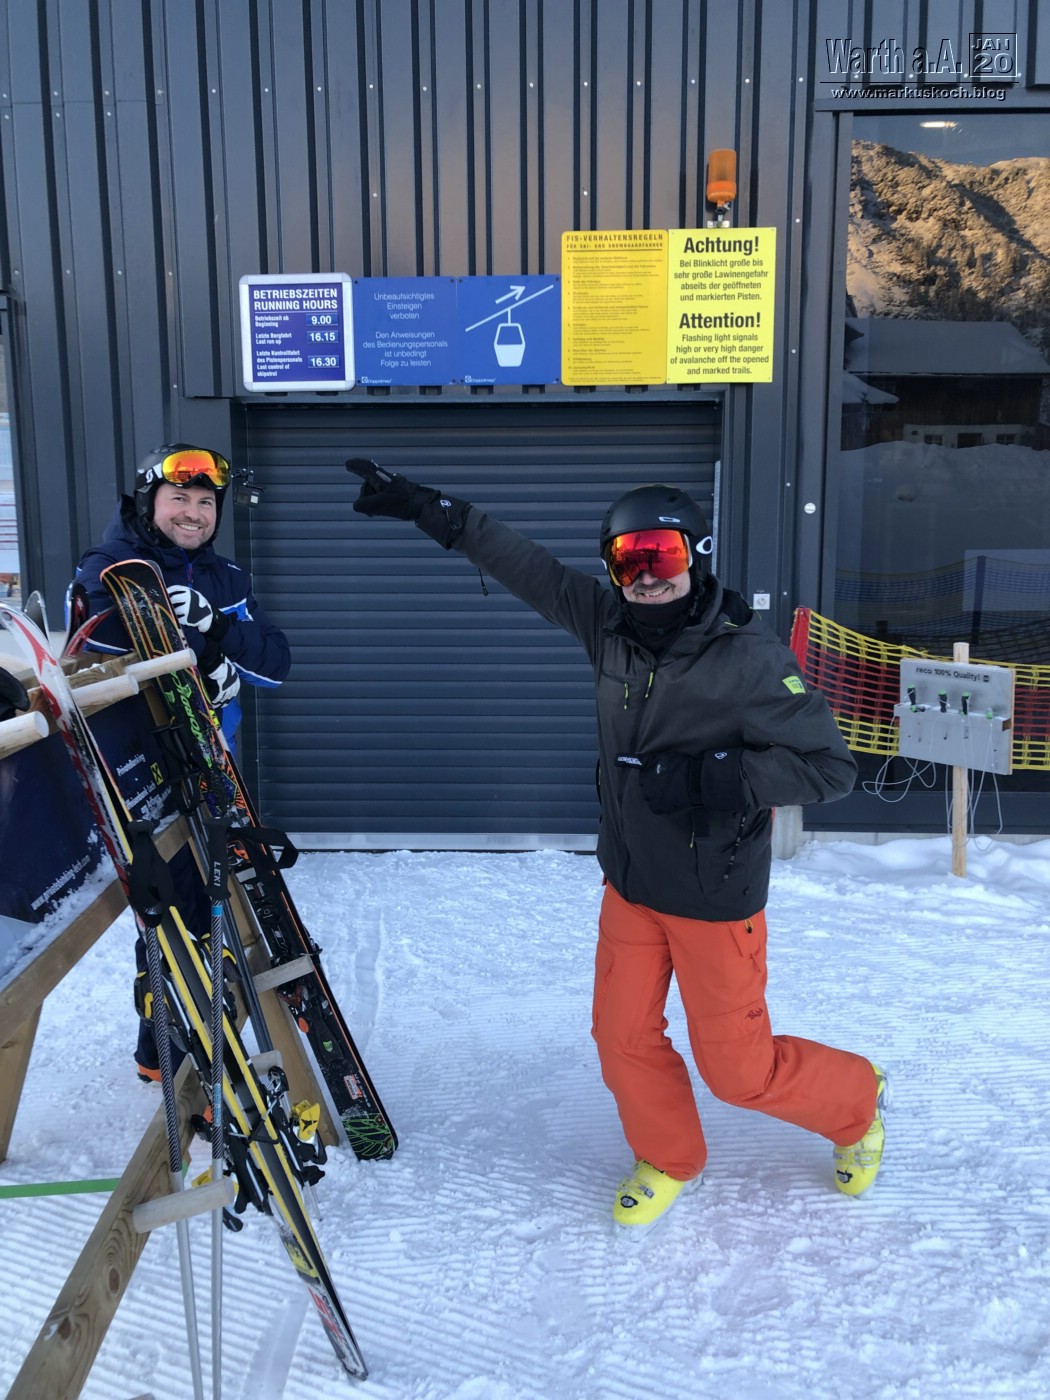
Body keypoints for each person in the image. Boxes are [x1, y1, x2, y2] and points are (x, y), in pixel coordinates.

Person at [349, 463, 886, 1234]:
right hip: (631, 884)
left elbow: (830, 769)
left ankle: (858, 1099)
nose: (647, 576)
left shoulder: (749, 657)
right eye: (629, 560)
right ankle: (668, 1156)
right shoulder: (609, 627)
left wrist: (708, 777)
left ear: (697, 556)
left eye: (662, 555)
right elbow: (526, 565)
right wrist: (433, 510)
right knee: (622, 1037)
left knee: (739, 1072)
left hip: (713, 896)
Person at [72, 443, 291, 1082]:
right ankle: (167, 1053)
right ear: (150, 503)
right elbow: (97, 659)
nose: (193, 513)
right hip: (143, 772)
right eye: (179, 499)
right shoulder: (107, 568)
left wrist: (217, 635)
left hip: (212, 761)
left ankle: (199, 1037)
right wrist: (193, 657)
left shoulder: (228, 579)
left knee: (219, 903)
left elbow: (276, 665)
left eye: (205, 502)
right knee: (175, 910)